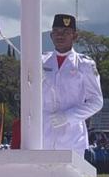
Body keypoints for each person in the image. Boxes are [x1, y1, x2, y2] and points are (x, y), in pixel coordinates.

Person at [42, 14, 104, 156]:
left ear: (75, 36)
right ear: (51, 35)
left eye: (66, 32)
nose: (60, 36)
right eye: (56, 32)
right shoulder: (40, 61)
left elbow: (96, 102)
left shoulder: (85, 64)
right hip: (43, 134)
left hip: (72, 136)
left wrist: (68, 116)